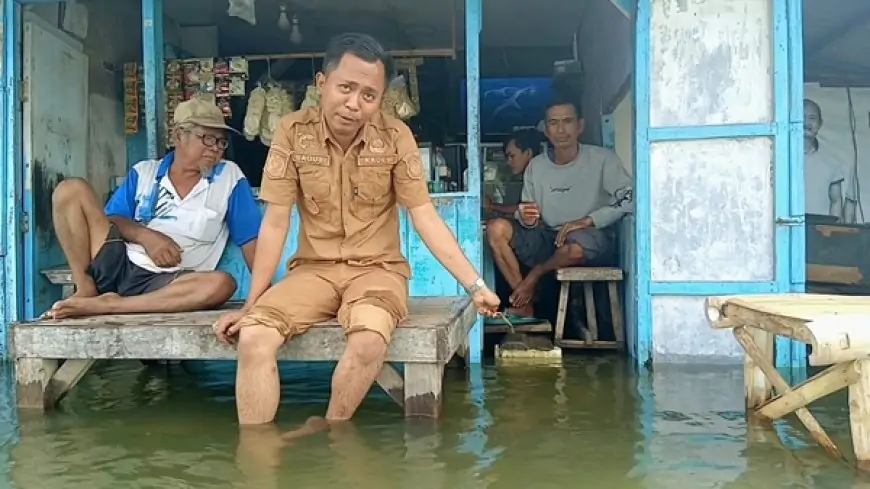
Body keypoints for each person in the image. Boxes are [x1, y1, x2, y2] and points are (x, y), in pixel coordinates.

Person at [212, 32, 500, 426]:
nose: (354, 104)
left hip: (377, 272)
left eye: (369, 95)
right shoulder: (292, 132)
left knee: (368, 341)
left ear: (381, 99)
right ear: (322, 84)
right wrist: (251, 304)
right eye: (345, 88)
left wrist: (475, 286)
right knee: (254, 337)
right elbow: (276, 221)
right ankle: (257, 465)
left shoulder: (396, 136)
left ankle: (330, 430)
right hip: (313, 271)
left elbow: (424, 216)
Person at [46, 98, 262, 319]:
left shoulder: (229, 177)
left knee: (222, 283)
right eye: (207, 139)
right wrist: (146, 237)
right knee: (70, 190)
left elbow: (250, 242)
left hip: (167, 284)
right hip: (118, 263)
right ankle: (86, 288)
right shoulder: (145, 172)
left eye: (220, 142)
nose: (215, 149)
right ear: (178, 135)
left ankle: (112, 305)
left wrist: (266, 296)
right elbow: (112, 219)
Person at [486, 97, 633, 319]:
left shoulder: (603, 159)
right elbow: (529, 214)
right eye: (553, 123)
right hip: (548, 238)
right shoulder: (536, 166)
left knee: (575, 249)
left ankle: (533, 279)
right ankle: (524, 301)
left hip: (589, 237)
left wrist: (587, 221)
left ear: (580, 126)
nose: (561, 129)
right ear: (545, 129)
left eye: (567, 121)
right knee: (495, 228)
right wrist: (527, 217)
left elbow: (631, 197)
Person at [803, 98, 857, 223]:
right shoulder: (780, 156)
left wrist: (834, 230)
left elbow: (836, 201)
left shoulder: (831, 160)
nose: (806, 123)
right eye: (802, 117)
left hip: (820, 230)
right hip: (786, 228)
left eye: (812, 118)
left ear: (820, 123)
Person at [483, 129, 543, 218]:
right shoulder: (526, 177)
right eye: (507, 157)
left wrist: (491, 206)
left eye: (512, 156)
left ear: (528, 153)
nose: (508, 162)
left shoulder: (540, 176)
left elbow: (527, 209)